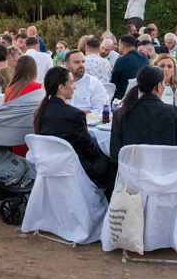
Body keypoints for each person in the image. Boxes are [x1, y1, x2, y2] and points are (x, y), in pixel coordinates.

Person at [33, 67, 116, 197]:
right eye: (71, 83)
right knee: (113, 164)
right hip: (76, 166)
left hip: (51, 165)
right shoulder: (74, 115)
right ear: (61, 88)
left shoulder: (41, 111)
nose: (75, 87)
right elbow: (89, 150)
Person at [109, 65, 177, 163]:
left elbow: (115, 156)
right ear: (159, 86)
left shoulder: (121, 114)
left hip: (132, 171)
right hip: (167, 171)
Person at [110, 35, 149, 100]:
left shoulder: (121, 61)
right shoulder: (144, 57)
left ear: (122, 46)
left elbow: (114, 83)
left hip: (124, 96)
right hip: (143, 95)